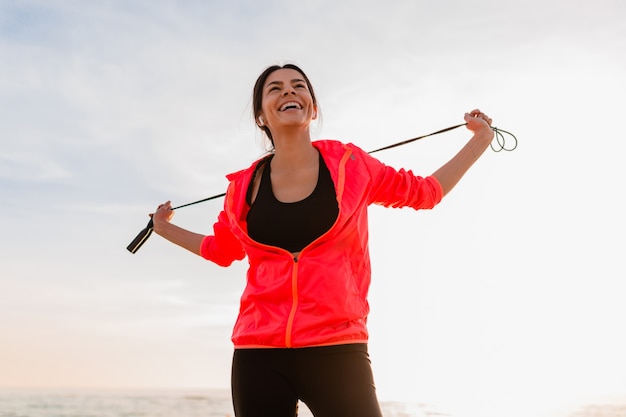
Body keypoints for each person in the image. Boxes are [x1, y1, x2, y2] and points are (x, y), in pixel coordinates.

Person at [150, 63, 495, 417]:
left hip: (337, 347)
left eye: (298, 85)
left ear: (312, 108)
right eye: (275, 88)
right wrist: (163, 228)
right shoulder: (241, 188)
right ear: (260, 116)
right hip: (258, 352)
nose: (288, 90)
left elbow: (426, 192)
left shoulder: (352, 166)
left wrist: (481, 139)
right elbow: (219, 250)